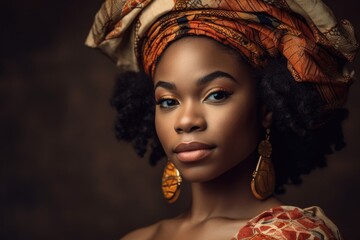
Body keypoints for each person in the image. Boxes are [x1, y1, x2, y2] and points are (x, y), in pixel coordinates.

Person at [85, 0, 358, 239]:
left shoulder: (291, 236)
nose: (186, 121)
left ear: (266, 107)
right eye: (168, 101)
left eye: (216, 95)